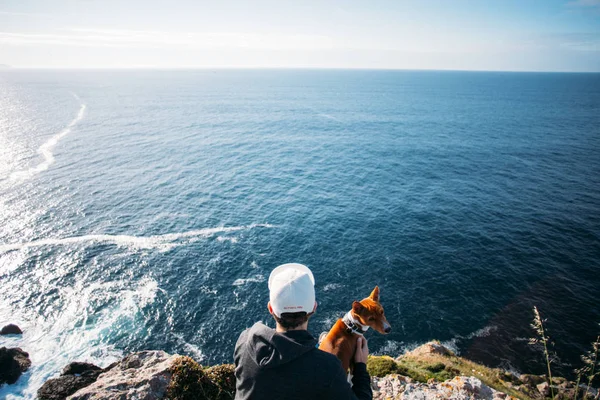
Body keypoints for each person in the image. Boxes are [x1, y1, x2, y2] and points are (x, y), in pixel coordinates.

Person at [234, 263, 373, 400]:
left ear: (270, 308)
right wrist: (360, 366)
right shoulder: (328, 367)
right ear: (314, 308)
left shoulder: (246, 342)